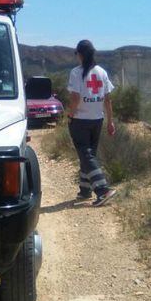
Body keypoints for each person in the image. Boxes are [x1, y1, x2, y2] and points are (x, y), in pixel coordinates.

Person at [66, 40, 118, 207]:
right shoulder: (102, 72)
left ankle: (103, 190)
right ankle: (85, 190)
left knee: (86, 155)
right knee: (88, 156)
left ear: (80, 54)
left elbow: (75, 97)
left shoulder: (76, 73)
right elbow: (108, 99)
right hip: (97, 119)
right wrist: (110, 121)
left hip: (80, 120)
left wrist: (70, 115)